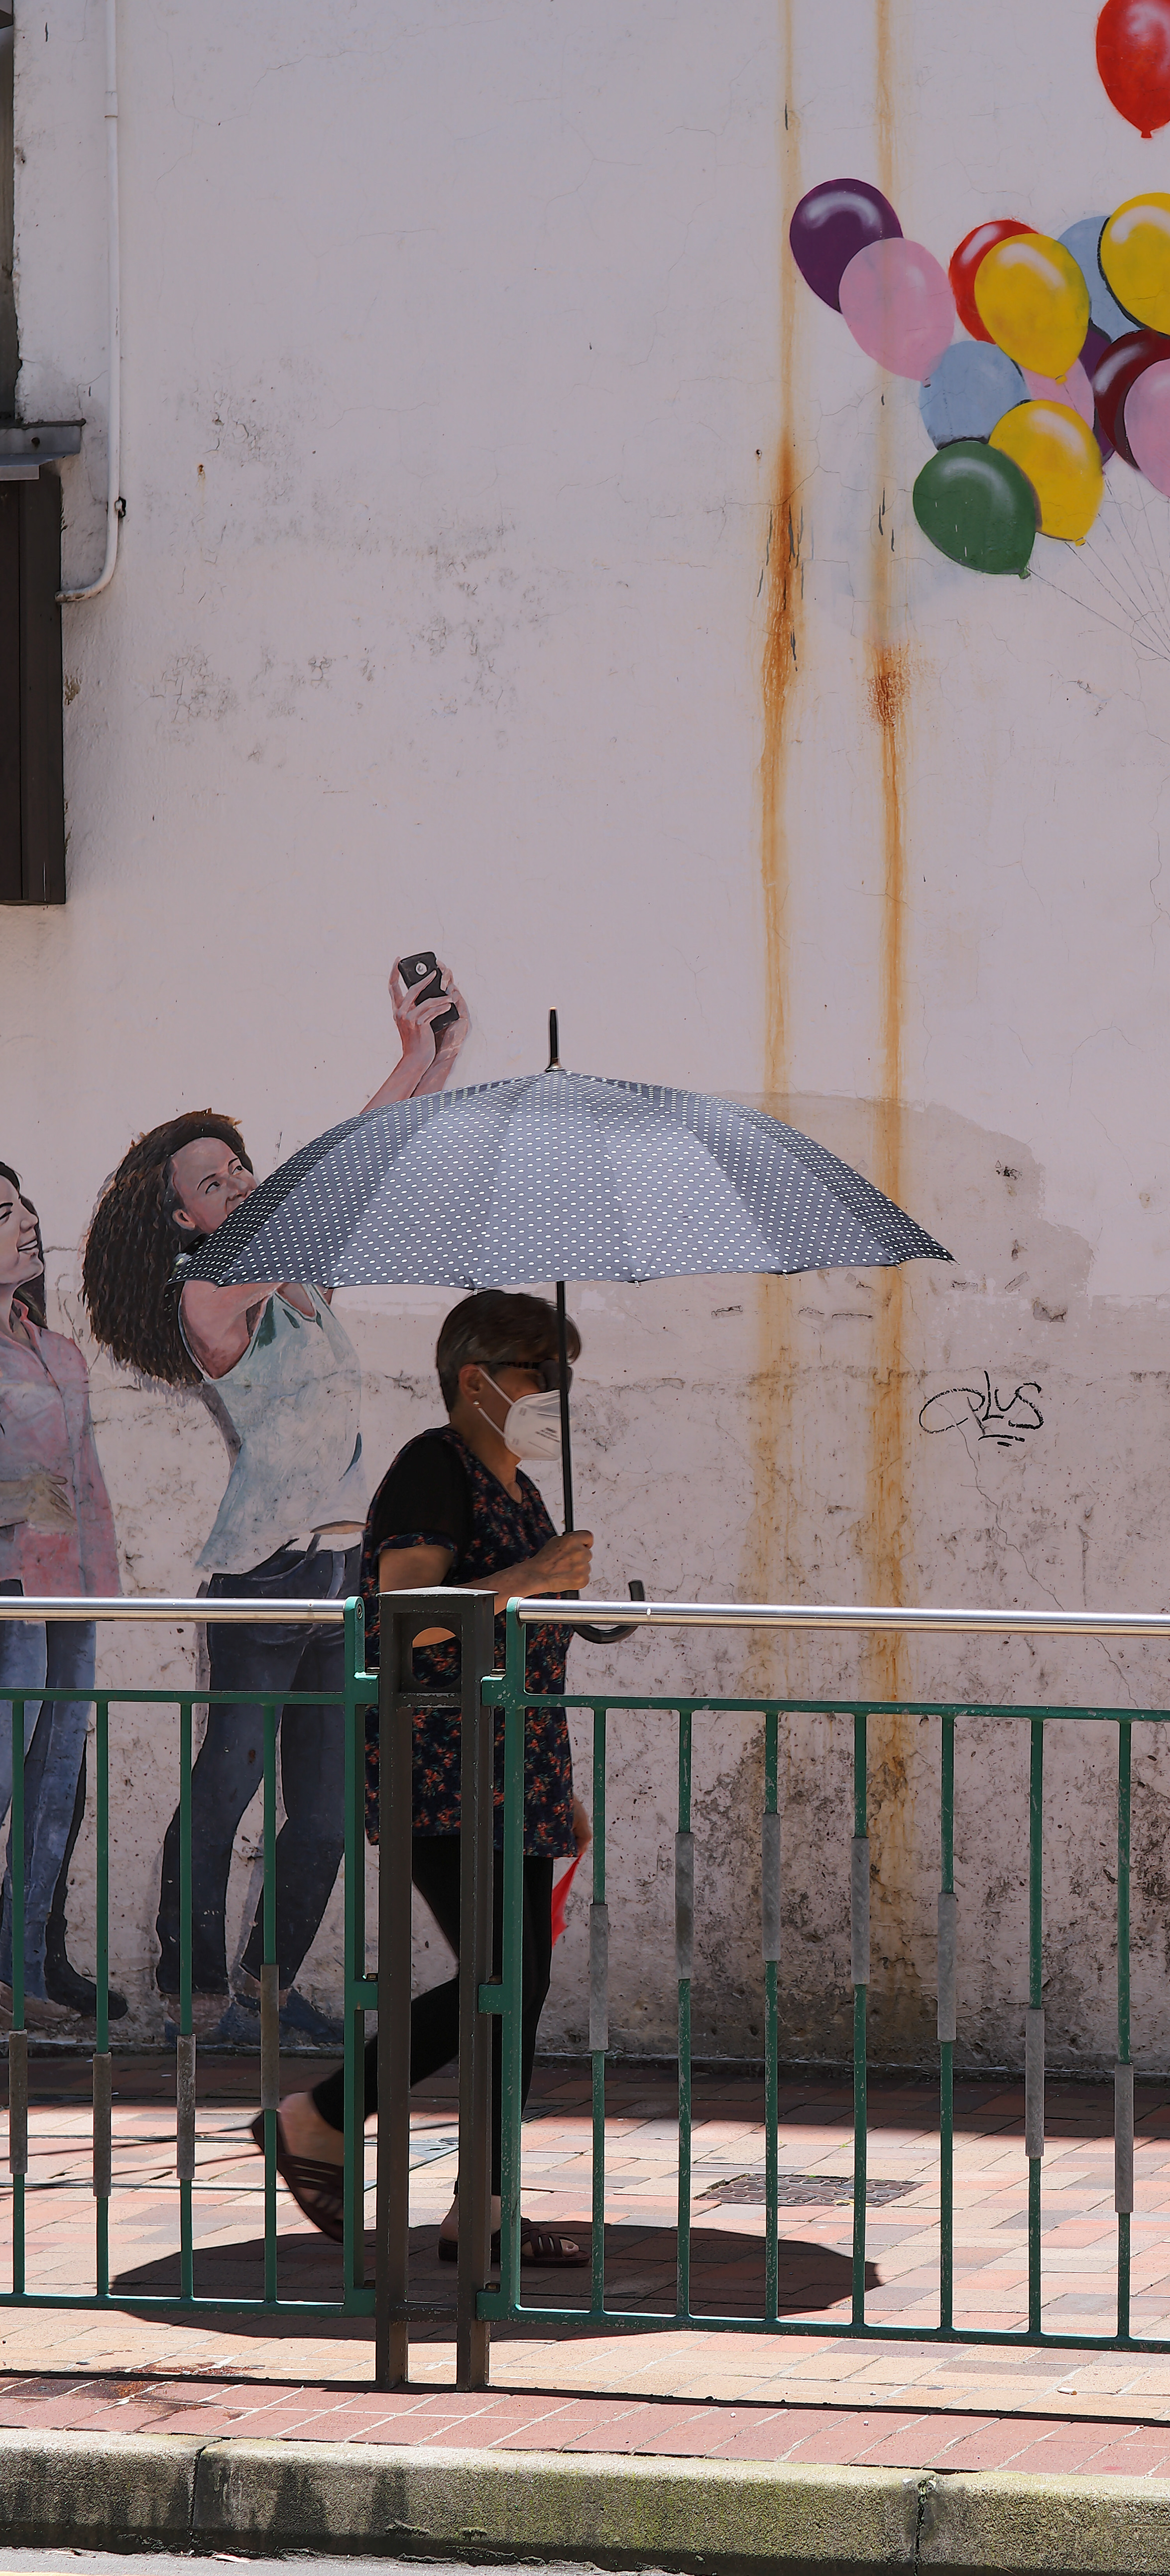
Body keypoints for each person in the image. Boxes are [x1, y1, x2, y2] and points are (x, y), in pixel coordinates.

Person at [80, 959, 472, 2044]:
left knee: (330, 1806)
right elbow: (328, 1186)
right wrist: (406, 1059)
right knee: (230, 1781)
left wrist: (437, 1054)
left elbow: (365, 1175)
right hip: (259, 1572)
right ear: (184, 1219)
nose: (240, 1183)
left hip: (339, 1568)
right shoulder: (208, 1292)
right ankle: (193, 1984)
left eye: (240, 1167)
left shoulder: (303, 1281)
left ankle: (267, 1987)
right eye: (215, 1183)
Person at [258, 1290, 593, 2267]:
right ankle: (319, 2114)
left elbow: (518, 1645)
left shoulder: (520, 1490)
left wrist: (555, 1780)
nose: (555, 1395)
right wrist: (530, 1576)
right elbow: (405, 1612)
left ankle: (483, 2205)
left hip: (515, 1770)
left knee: (514, 1984)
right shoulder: (430, 1468)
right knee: (502, 1973)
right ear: (475, 1380)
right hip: (440, 1769)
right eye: (541, 1373)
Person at [0, 1161, 120, 2032]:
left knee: (54, 1793)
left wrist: (105, 1589)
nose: (28, 1222)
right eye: (5, 1214)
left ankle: (23, 1971)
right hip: (8, 1592)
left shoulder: (56, 1348)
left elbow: (86, 1479)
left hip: (69, 1591)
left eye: (25, 1206)